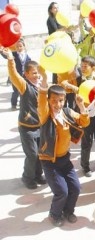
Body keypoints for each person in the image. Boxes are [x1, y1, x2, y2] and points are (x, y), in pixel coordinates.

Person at [37, 73, 90, 226]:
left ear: (64, 100)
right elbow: (41, 103)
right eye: (53, 100)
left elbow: (84, 122)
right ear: (48, 100)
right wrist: (44, 86)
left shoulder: (66, 112)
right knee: (62, 192)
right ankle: (54, 214)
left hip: (64, 159)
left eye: (60, 100)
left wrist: (81, 106)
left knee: (76, 188)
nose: (57, 104)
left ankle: (68, 211)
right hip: (49, 161)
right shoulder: (45, 115)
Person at [2, 48, 46, 190]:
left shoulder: (41, 87)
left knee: (40, 154)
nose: (36, 75)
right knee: (32, 154)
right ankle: (27, 177)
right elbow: (14, 75)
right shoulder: (24, 86)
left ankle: (38, 175)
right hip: (27, 128)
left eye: (38, 73)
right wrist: (10, 60)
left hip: (40, 127)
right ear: (26, 74)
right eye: (33, 73)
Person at [8, 39, 31, 110]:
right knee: (16, 91)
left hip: (25, 77)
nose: (19, 48)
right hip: (16, 76)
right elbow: (7, 57)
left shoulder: (27, 56)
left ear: (24, 46)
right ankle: (13, 104)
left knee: (23, 91)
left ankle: (22, 104)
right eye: (17, 47)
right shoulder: (14, 55)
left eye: (20, 46)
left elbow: (30, 64)